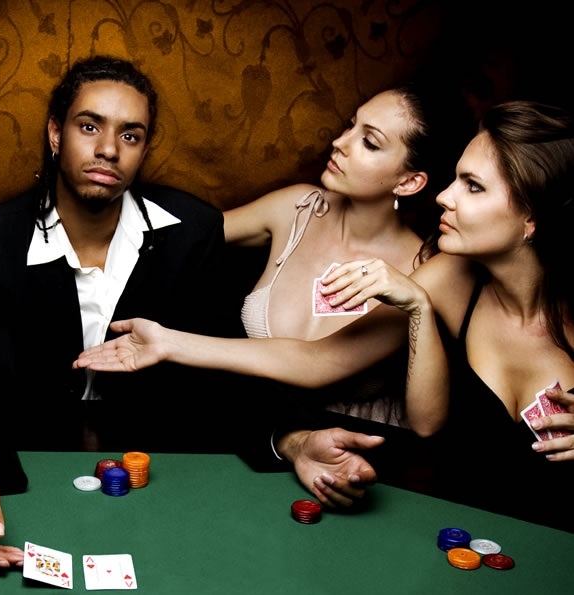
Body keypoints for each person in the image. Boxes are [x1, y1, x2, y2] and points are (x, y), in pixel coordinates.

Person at [76, 101, 574, 531]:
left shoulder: (443, 266)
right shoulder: (447, 276)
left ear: (531, 219)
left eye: (474, 187)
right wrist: (167, 340)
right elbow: (338, 367)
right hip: (449, 519)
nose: (445, 196)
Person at [0, 55, 236, 567]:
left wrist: (294, 439)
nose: (108, 149)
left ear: (144, 149)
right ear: (56, 133)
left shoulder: (194, 232)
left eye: (130, 135)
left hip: (165, 475)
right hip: (31, 466)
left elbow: (225, 374)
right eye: (90, 126)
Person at [223, 82, 462, 427]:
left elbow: (315, 362)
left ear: (408, 182)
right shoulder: (298, 208)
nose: (340, 142)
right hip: (254, 426)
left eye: (369, 142)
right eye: (351, 125)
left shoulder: (424, 273)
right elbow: (190, 233)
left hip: (357, 448)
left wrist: (170, 344)